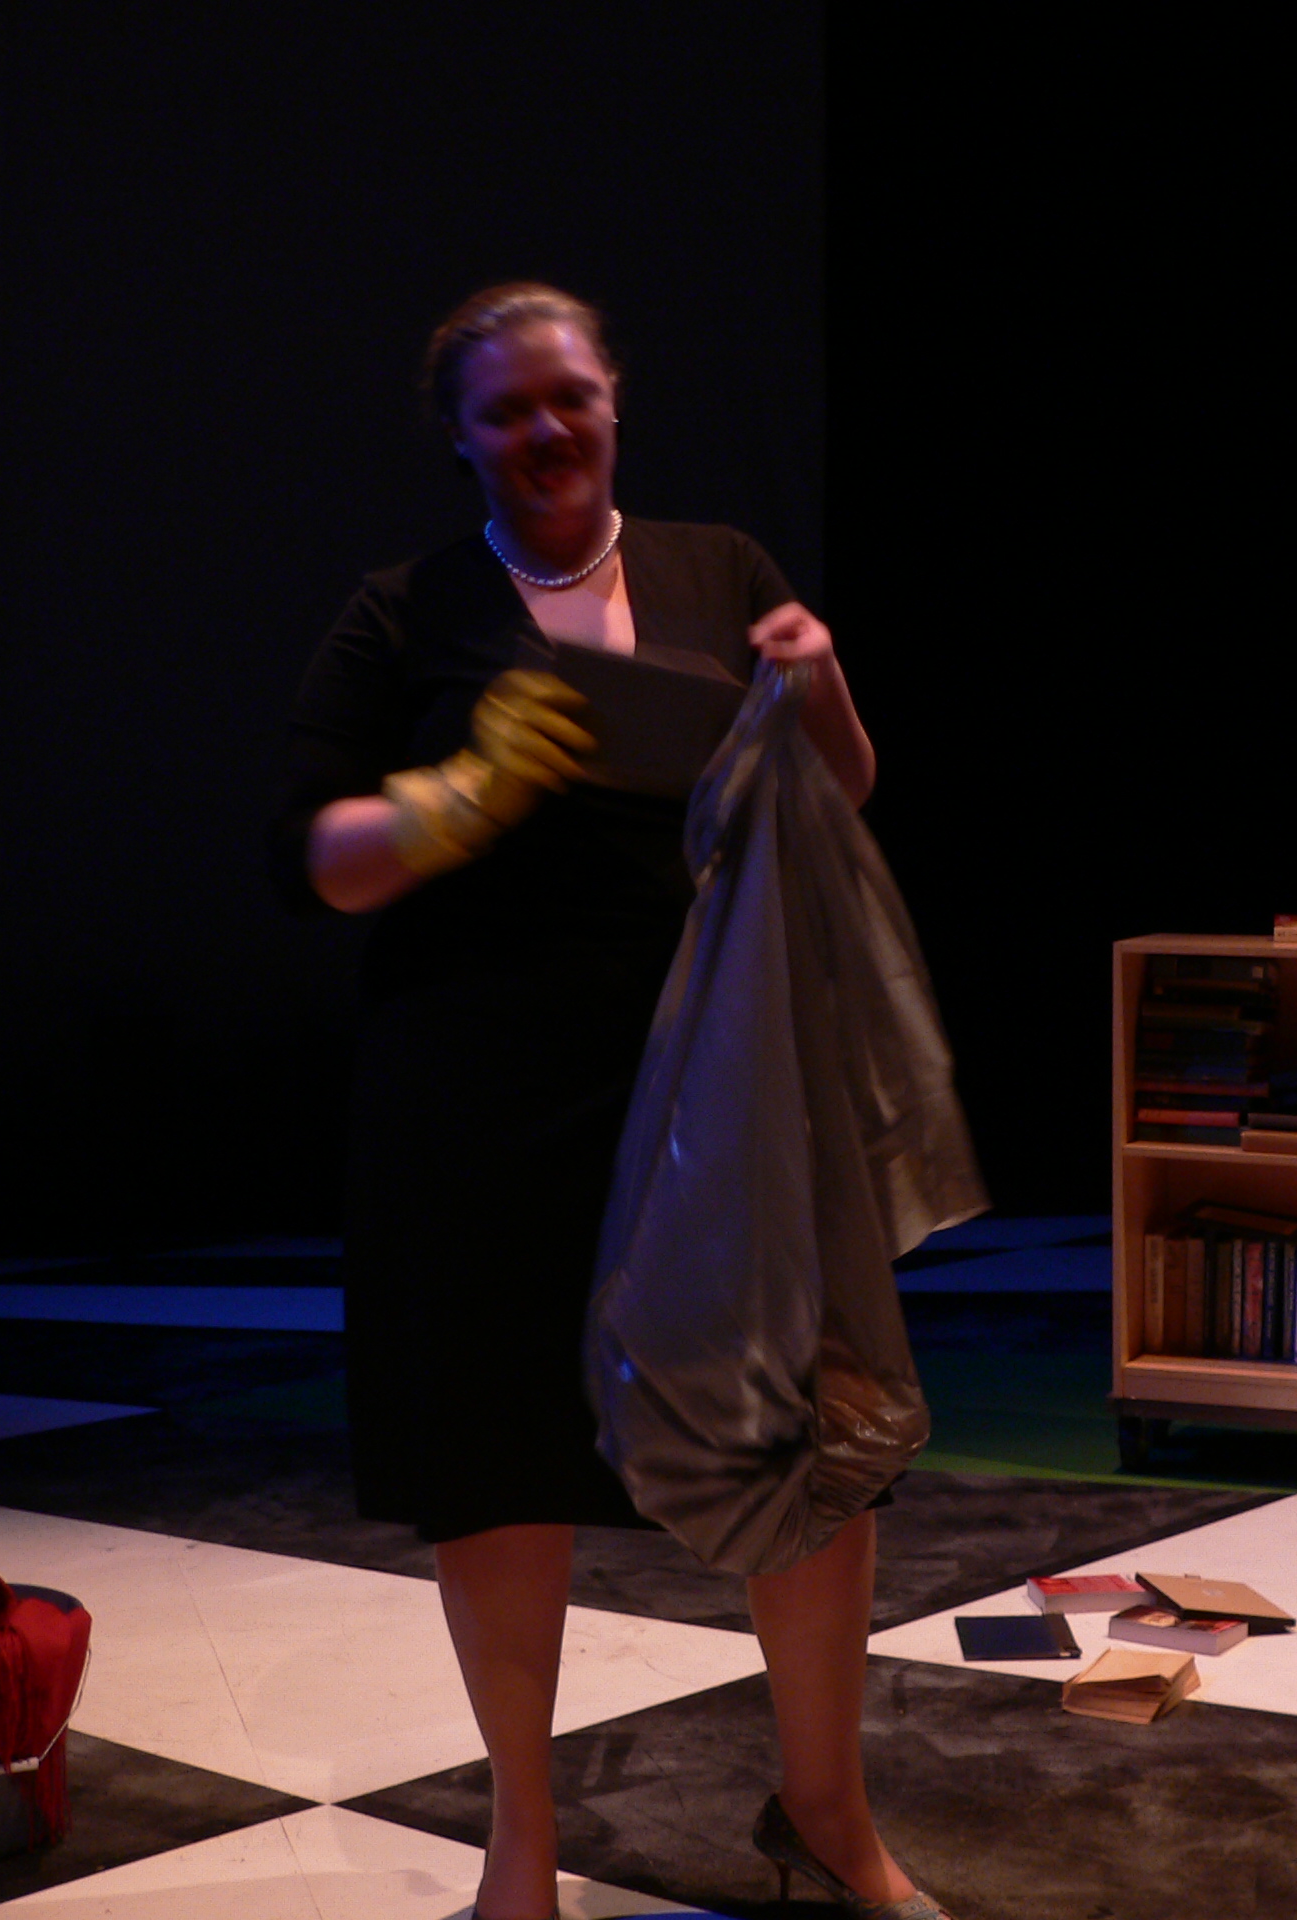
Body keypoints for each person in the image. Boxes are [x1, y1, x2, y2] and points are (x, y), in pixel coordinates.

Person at [275, 284, 945, 1920]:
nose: (544, 428)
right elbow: (320, 857)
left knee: (799, 1440)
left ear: (614, 397)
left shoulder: (722, 569)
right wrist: (456, 796)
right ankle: (521, 1842)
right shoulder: (407, 609)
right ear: (460, 437)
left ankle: (829, 1818)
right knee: (499, 1458)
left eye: (566, 394)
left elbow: (841, 790)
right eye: (505, 409)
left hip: (724, 1093)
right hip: (478, 1106)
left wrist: (822, 681)